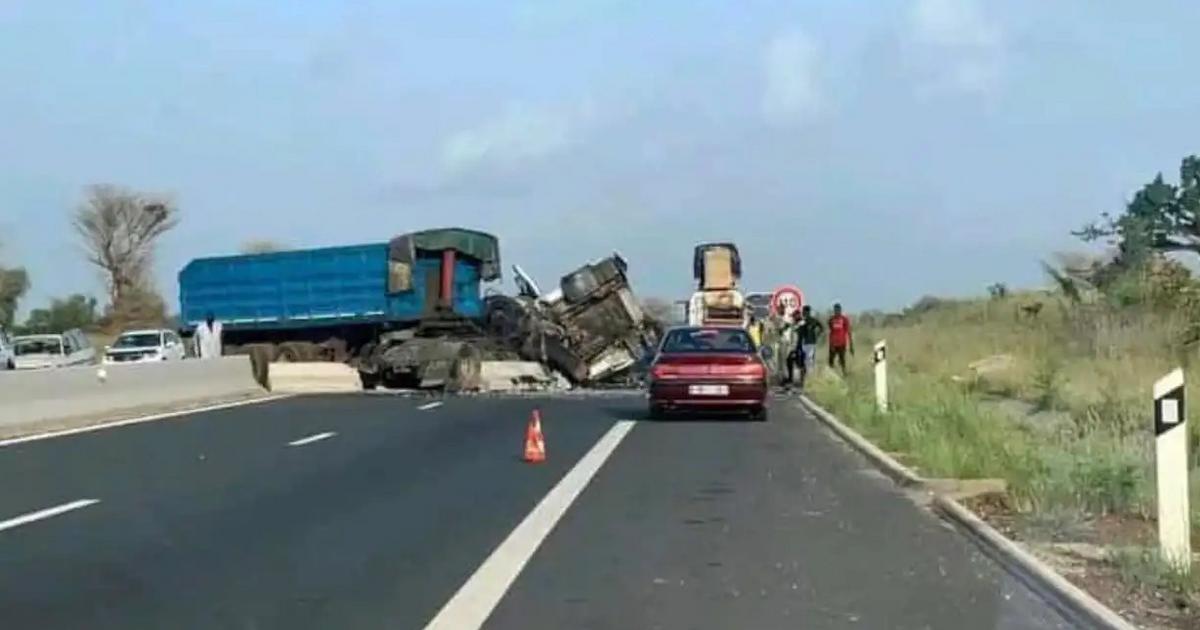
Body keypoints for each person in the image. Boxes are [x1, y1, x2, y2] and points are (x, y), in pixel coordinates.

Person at [793, 305, 823, 389]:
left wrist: (817, 335)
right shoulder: (802, 321)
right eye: (803, 311)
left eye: (804, 311)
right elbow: (798, 332)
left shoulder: (813, 321)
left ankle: (809, 381)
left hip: (810, 343)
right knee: (803, 362)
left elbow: (821, 327)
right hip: (803, 344)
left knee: (808, 361)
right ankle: (804, 380)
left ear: (807, 312)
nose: (803, 313)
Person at [827, 303, 854, 374]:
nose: (837, 311)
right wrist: (831, 343)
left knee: (842, 360)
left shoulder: (844, 319)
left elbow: (849, 332)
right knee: (831, 361)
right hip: (833, 343)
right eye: (835, 310)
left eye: (838, 310)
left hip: (842, 343)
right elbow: (831, 331)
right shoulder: (831, 319)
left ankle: (844, 374)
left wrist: (851, 345)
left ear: (840, 310)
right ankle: (831, 375)